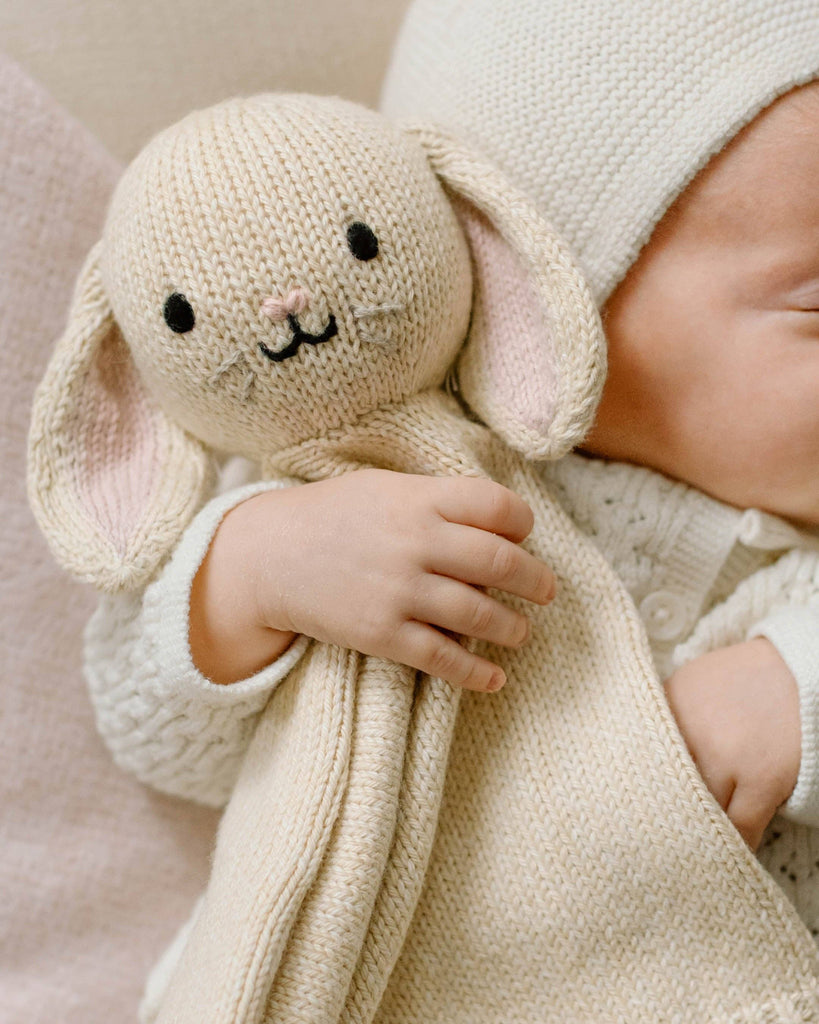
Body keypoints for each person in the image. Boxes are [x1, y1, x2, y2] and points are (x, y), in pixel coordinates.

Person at [83, 0, 819, 942]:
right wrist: (256, 575)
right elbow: (152, 732)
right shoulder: (373, 495)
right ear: (560, 294)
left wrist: (789, 688)